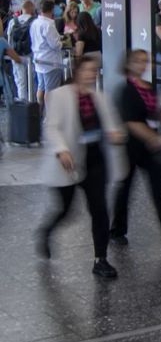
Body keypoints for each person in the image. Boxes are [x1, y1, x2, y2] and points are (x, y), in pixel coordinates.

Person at [38, 57, 125, 278]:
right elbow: (52, 127)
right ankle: (46, 232)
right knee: (66, 210)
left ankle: (101, 259)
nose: (91, 74)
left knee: (99, 209)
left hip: (95, 160)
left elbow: (113, 124)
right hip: (69, 161)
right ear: (76, 71)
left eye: (94, 70)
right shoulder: (60, 96)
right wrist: (61, 149)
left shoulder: (100, 98)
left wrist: (116, 134)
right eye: (87, 70)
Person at [109, 50, 161, 251]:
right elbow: (132, 122)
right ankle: (117, 229)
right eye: (139, 61)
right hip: (132, 146)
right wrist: (155, 138)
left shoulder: (148, 87)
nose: (144, 65)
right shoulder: (126, 90)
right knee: (125, 188)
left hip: (149, 146)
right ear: (129, 64)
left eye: (146, 61)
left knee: (159, 190)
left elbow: (153, 114)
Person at [30, 0, 64, 110]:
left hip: (39, 59)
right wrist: (61, 42)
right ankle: (50, 115)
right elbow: (55, 44)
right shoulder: (48, 25)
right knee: (51, 91)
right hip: (51, 61)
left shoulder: (35, 23)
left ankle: (39, 112)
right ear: (52, 9)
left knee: (41, 87)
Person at [8, 0, 35, 101]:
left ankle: (23, 104)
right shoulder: (34, 21)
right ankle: (32, 102)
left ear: (22, 9)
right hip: (30, 55)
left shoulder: (13, 21)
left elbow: (9, 39)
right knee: (31, 81)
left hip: (16, 54)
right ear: (31, 8)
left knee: (20, 81)